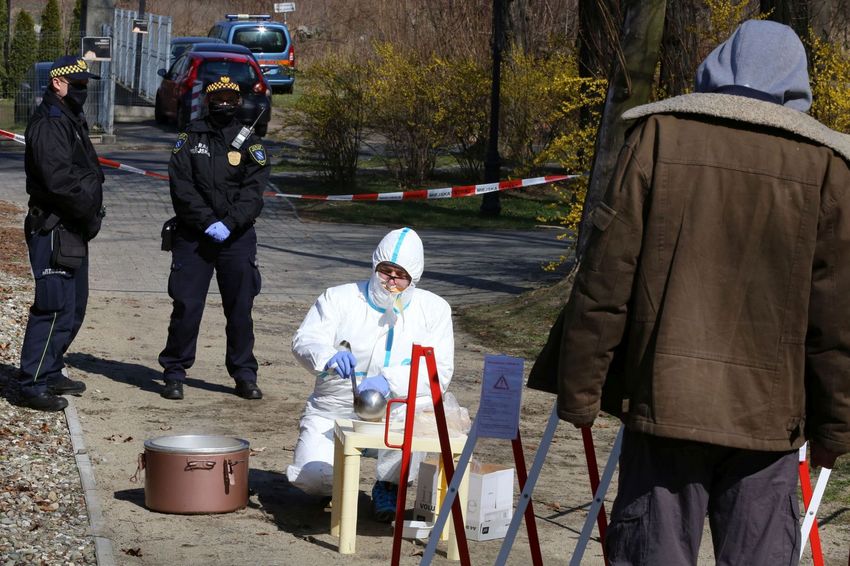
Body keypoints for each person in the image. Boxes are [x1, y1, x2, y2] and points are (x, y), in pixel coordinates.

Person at [528, 20, 850, 564]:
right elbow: (837, 319)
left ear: (716, 66)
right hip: (767, 421)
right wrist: (835, 429)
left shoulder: (660, 136)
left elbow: (606, 277)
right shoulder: (825, 166)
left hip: (666, 402)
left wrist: (580, 389)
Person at [289, 227, 454, 521]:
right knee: (312, 477)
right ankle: (337, 481)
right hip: (335, 408)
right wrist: (327, 357)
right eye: (385, 271)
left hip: (397, 413)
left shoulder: (434, 310)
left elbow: (438, 371)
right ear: (374, 265)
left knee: (417, 419)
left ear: (414, 278)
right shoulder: (338, 298)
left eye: (400, 275)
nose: (391, 281)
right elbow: (305, 339)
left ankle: (389, 484)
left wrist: (390, 381)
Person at [158, 75, 269, 401]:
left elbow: (253, 193)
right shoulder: (190, 138)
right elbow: (181, 186)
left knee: (240, 309)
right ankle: (174, 373)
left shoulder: (250, 142)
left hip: (236, 238)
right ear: (207, 101)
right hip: (195, 236)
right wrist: (207, 222)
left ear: (238, 103)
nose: (223, 104)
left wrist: (230, 223)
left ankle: (244, 374)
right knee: (186, 306)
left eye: (229, 99)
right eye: (217, 98)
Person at [16, 55, 105, 412]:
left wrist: (89, 216)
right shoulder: (51, 123)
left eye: (85, 84)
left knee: (72, 307)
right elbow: (59, 182)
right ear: (57, 83)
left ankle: (51, 370)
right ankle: (32, 383)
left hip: (72, 227)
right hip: (55, 226)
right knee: (52, 307)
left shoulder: (70, 117)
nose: (83, 90)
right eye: (78, 84)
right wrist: (88, 212)